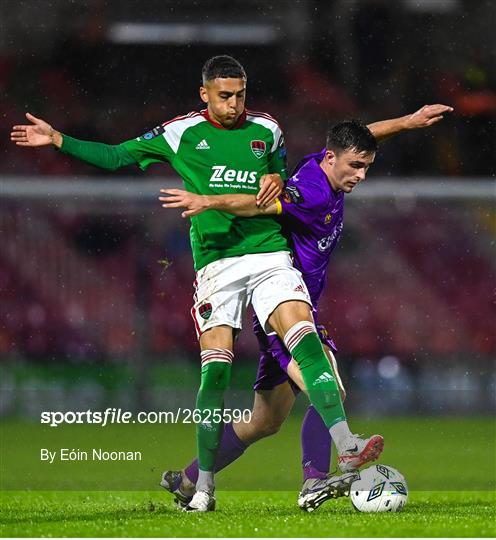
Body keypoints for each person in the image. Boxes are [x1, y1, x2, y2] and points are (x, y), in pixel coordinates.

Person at [12, 55, 389, 513]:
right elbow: (114, 157)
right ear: (205, 93)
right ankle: (203, 486)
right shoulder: (180, 133)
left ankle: (344, 444)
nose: (234, 104)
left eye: (241, 95)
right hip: (217, 265)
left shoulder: (267, 129)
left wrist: (272, 173)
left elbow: (277, 175)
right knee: (217, 372)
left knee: (304, 334)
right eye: (225, 95)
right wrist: (58, 139)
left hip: (270, 254)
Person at [158, 104, 453, 511]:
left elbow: (357, 135)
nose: (361, 175)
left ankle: (188, 480)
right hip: (280, 303)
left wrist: (405, 123)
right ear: (332, 159)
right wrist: (208, 201)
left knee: (266, 420)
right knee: (327, 381)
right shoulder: (311, 192)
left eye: (366, 167)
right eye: (356, 167)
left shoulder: (324, 163)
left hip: (291, 302)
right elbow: (260, 205)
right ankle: (315, 479)